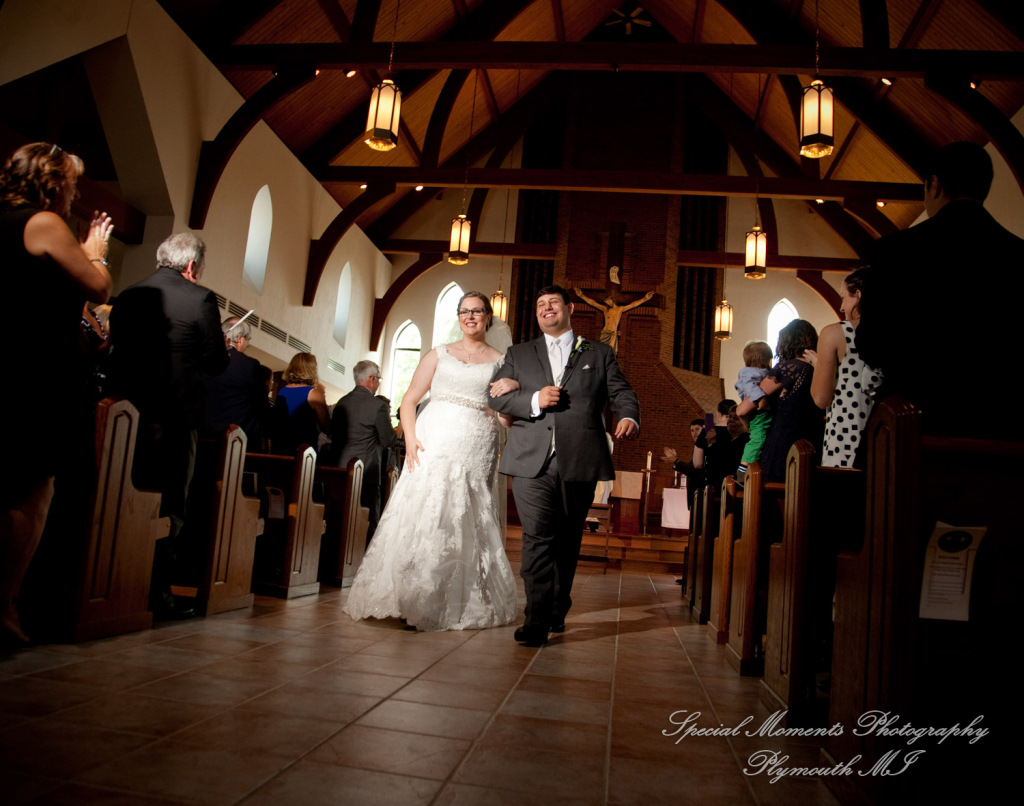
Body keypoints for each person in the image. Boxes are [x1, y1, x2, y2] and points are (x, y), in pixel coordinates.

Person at [343, 292, 519, 631]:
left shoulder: (502, 360)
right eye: (464, 311)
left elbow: (505, 417)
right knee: (426, 508)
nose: (470, 317)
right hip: (432, 438)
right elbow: (409, 400)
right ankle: (407, 593)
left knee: (465, 513)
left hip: (476, 442)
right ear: (458, 316)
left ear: (488, 317)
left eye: (477, 311)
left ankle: (455, 597)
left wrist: (508, 397)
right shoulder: (439, 354)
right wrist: (410, 440)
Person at [1, 143, 112, 644]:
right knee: (30, 489)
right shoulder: (42, 223)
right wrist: (95, 253)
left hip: (18, 363)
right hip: (30, 374)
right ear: (55, 182)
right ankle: (4, 604)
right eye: (71, 183)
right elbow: (99, 286)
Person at [489, 285, 640, 646]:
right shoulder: (518, 353)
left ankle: (558, 604)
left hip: (581, 457)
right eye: (540, 304)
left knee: (568, 538)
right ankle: (536, 620)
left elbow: (621, 392)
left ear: (569, 307)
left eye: (553, 302)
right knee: (537, 537)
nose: (546, 308)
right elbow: (496, 397)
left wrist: (630, 416)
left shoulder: (598, 352)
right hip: (531, 459)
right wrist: (534, 399)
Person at [857, 141, 1024, 439]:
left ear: (934, 185)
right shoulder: (1017, 254)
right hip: (1001, 425)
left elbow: (873, 345)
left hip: (913, 423)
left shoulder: (896, 251)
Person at [107, 231, 229, 618]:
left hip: (122, 417)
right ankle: (156, 595)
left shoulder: (128, 295)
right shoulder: (200, 298)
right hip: (175, 417)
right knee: (169, 505)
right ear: (192, 266)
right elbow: (214, 363)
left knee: (118, 500)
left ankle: (111, 585)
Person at [804, 270, 884, 468]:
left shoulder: (835, 333)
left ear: (858, 295)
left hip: (847, 435)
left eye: (843, 298)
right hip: (884, 436)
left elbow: (821, 398)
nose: (841, 306)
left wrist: (818, 365)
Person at [330, 360, 397, 543]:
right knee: (368, 521)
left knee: (340, 520)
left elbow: (334, 435)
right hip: (366, 472)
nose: (378, 383)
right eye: (379, 379)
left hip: (340, 470)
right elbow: (388, 440)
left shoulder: (341, 403)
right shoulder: (377, 406)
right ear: (371, 379)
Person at [758, 319, 824, 483]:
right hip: (812, 440)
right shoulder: (819, 368)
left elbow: (754, 399)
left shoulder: (789, 368)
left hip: (784, 439)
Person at [202, 315, 269, 443]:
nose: (247, 344)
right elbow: (261, 406)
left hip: (204, 435)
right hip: (236, 440)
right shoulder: (250, 365)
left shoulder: (204, 360)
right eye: (248, 340)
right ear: (239, 339)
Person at [272, 352, 330, 455]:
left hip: (281, 449)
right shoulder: (314, 394)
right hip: (304, 451)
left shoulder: (282, 391)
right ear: (311, 369)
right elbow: (326, 426)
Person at [733, 340, 774, 484]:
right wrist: (760, 398)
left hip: (762, 413)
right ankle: (743, 470)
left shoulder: (759, 372)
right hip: (758, 413)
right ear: (768, 360)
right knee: (758, 439)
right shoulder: (749, 372)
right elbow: (750, 387)